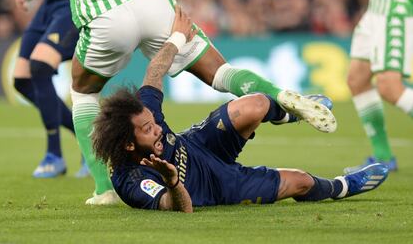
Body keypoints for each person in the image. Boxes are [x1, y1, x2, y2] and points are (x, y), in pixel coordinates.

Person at [68, 0, 337, 205]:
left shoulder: (135, 174)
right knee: (221, 72)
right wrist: (176, 38)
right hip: (151, 0)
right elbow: (153, 76)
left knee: (83, 92)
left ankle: (105, 190)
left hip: (104, 10)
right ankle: (280, 97)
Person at [90, 27, 388, 212]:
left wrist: (177, 37)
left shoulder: (145, 116)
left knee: (254, 104)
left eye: (152, 121)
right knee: (300, 181)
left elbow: (154, 72)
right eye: (147, 129)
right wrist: (171, 181)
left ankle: (293, 112)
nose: (155, 127)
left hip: (200, 145)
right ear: (129, 145)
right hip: (219, 188)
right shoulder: (132, 182)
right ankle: (343, 186)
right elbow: (181, 208)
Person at [13, 0, 89, 178]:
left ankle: (54, 155)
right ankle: (88, 140)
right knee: (22, 80)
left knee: (40, 66)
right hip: (48, 4)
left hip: (73, 3)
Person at [345, 0, 413, 173]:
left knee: (389, 87)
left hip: (396, 1)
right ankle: (383, 157)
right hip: (378, 4)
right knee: (357, 79)